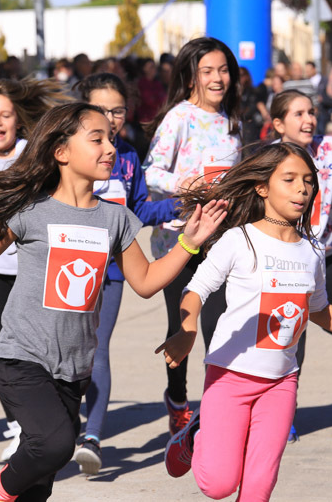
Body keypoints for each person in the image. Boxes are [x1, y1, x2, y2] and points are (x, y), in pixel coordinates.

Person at [0, 102, 228, 502]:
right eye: (96, 139)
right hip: (21, 358)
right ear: (61, 152)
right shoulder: (31, 210)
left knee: (40, 482)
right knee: (57, 444)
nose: (110, 148)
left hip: (73, 368)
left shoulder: (115, 218)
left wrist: (189, 242)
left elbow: (146, 282)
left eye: (110, 140)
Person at [160, 142, 332, 501]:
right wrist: (186, 330)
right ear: (262, 187)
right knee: (218, 485)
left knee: (258, 489)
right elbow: (195, 289)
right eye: (290, 179)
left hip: (280, 383)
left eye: (308, 181)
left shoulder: (312, 250)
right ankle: (194, 436)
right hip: (230, 376)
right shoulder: (239, 239)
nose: (302, 189)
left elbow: (320, 311)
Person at [71, 73, 179, 475]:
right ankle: (60, 425)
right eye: (100, 110)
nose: (111, 118)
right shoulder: (65, 152)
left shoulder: (130, 157)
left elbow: (139, 212)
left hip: (113, 271)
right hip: (69, 267)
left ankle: (92, 437)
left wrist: (180, 205)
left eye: (117, 110)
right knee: (65, 349)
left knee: (98, 347)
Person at [0, 77, 71, 461]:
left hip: (32, 268)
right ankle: (19, 425)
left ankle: (50, 418)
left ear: (18, 121)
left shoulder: (32, 152)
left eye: (5, 115)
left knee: (41, 352)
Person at [143, 36, 242, 436]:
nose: (217, 79)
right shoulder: (179, 118)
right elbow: (151, 172)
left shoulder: (232, 122)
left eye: (223, 70)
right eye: (208, 71)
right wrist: (185, 184)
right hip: (179, 243)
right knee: (182, 326)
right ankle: (179, 400)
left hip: (221, 241)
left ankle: (219, 408)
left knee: (220, 326)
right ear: (190, 78)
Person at [267, 89, 332, 441]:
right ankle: (284, 412)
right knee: (293, 333)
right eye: (299, 114)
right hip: (288, 260)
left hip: (326, 254)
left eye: (311, 112)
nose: (309, 120)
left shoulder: (331, 148)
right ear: (279, 124)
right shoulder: (269, 158)